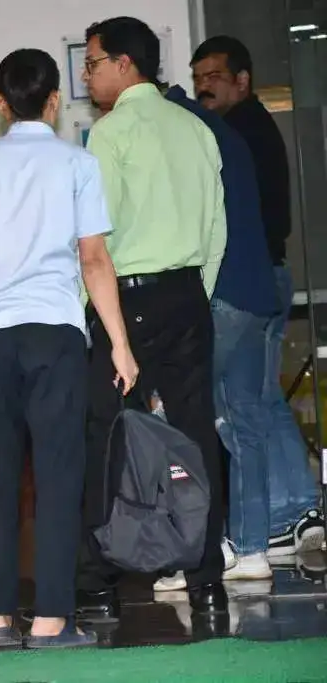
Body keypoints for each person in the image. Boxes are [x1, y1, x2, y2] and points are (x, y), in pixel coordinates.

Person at [0, 48, 137, 649]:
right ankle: (51, 619)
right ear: (54, 100)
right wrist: (121, 346)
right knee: (57, 475)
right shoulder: (77, 163)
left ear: (1, 102)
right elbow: (95, 260)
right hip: (55, 333)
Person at [77, 16, 229, 619]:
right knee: (196, 435)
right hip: (189, 296)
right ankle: (206, 579)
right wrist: (196, 293)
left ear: (124, 65)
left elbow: (96, 244)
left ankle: (100, 581)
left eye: (92, 63)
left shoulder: (111, 136)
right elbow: (217, 231)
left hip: (128, 302)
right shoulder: (197, 130)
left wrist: (94, 315)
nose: (88, 75)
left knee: (107, 436)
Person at [191, 35, 325, 558]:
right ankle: (296, 508)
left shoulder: (237, 132)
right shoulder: (249, 128)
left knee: (244, 402)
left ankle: (291, 509)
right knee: (261, 398)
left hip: (253, 279)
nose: (204, 86)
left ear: (242, 81)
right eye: (198, 76)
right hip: (267, 277)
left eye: (214, 76)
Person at [153, 83, 280, 589]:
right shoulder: (222, 130)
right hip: (255, 292)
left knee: (182, 418)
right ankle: (253, 550)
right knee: (246, 423)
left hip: (220, 290)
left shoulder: (180, 131)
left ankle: (204, 550)